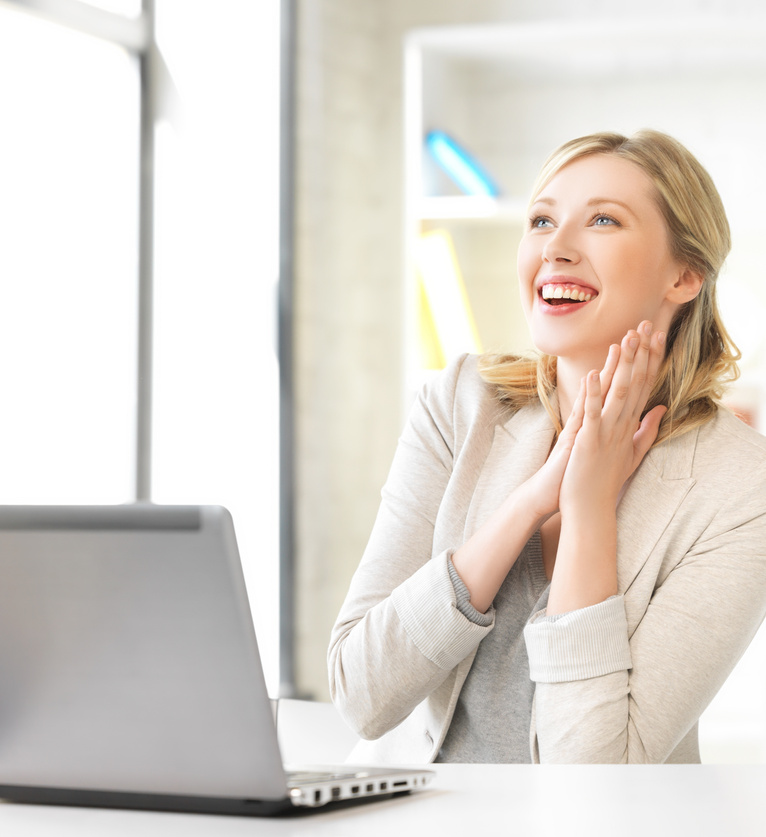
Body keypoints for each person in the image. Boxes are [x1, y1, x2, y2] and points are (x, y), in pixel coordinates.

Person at [328, 130, 766, 764]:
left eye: (604, 221)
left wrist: (588, 507)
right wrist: (529, 503)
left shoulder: (741, 485)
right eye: (541, 220)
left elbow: (593, 775)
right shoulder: (460, 403)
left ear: (686, 274)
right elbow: (361, 696)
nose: (556, 248)